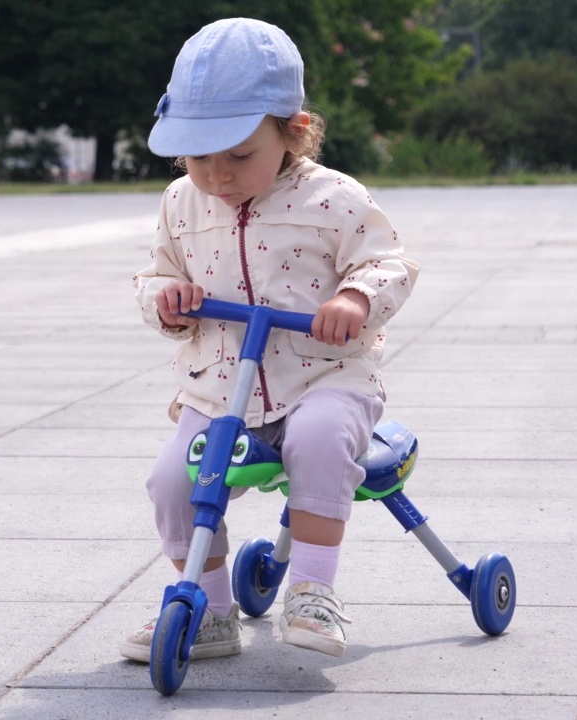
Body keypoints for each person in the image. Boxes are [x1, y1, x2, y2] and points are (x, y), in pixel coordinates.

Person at [122, 17, 419, 663]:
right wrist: (168, 304)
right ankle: (209, 610)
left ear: (295, 133)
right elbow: (158, 272)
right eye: (199, 158)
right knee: (172, 480)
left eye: (237, 156)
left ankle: (313, 588)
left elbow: (388, 262)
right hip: (220, 383)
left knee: (317, 439)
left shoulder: (335, 198)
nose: (218, 176)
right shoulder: (181, 202)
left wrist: (354, 297)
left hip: (323, 376)